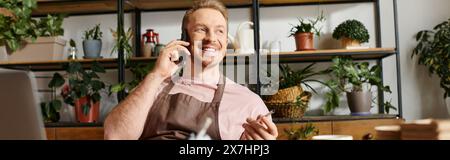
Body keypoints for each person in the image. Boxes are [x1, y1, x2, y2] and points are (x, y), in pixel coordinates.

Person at [104, 0, 278, 140]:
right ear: (184, 38)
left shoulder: (249, 104)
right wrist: (157, 74)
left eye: (219, 31)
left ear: (226, 42)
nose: (211, 38)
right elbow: (114, 136)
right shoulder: (153, 88)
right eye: (201, 29)